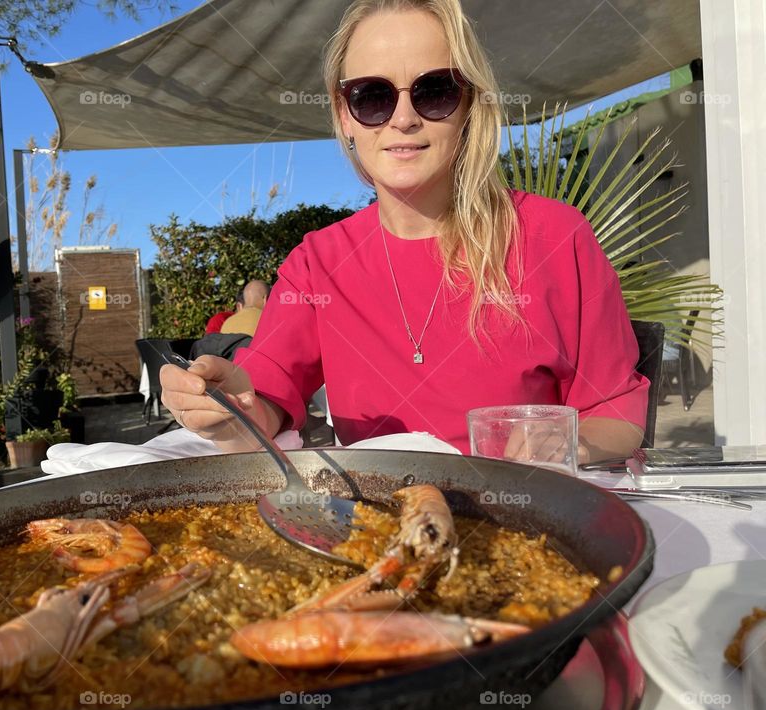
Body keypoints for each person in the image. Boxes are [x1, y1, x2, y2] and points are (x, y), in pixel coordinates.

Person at [161, 0, 648, 464]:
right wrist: (226, 410)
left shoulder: (553, 236)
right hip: (380, 526)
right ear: (342, 114)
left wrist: (567, 444)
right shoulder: (319, 262)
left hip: (523, 515)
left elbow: (617, 412)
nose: (402, 118)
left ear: (469, 106)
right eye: (371, 96)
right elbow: (262, 400)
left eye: (434, 91)